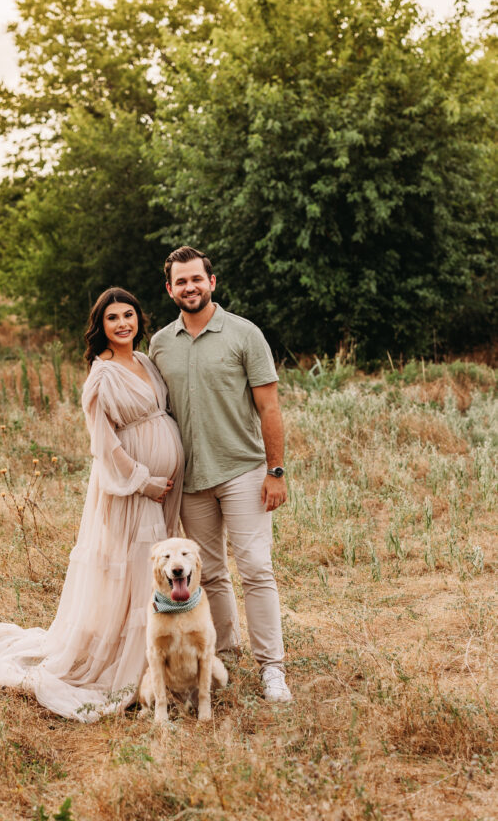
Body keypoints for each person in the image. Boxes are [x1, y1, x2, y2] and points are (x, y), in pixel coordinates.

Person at [0, 287, 184, 721]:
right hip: (131, 491)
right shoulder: (100, 376)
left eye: (129, 315)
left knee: (148, 572)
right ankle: (129, 671)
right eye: (113, 318)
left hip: (162, 487)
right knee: (135, 571)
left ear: (139, 319)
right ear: (100, 326)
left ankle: (156, 663)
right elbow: (105, 446)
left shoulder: (146, 362)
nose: (123, 323)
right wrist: (143, 481)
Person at [149, 246, 292, 703]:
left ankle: (273, 669)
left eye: (197, 279)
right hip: (190, 480)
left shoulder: (244, 334)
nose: (189, 287)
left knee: (256, 569)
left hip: (243, 471)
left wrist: (276, 471)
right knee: (207, 576)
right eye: (180, 281)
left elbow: (269, 407)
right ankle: (220, 658)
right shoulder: (160, 343)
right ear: (170, 289)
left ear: (212, 282)